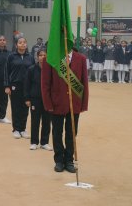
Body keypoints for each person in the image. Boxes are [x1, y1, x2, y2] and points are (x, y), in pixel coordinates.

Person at [42, 46, 89, 174]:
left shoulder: (81, 59)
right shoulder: (50, 59)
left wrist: (83, 103)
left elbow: (84, 82)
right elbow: (45, 84)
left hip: (74, 104)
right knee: (57, 133)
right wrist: (48, 104)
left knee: (72, 133)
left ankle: (69, 160)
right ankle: (59, 160)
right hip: (56, 103)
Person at [4, 37, 34, 139]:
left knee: (25, 107)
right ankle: (16, 129)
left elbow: (33, 72)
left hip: (27, 86)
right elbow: (6, 72)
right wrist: (7, 86)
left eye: (24, 42)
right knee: (16, 107)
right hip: (15, 86)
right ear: (16, 45)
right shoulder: (11, 56)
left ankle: (23, 129)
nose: (22, 44)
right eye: (20, 43)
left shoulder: (30, 57)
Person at [24, 50, 52, 151]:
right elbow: (27, 85)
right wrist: (27, 98)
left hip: (47, 100)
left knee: (46, 121)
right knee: (35, 121)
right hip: (35, 99)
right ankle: (34, 142)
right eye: (40, 55)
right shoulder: (31, 69)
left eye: (45, 55)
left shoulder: (50, 70)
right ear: (37, 57)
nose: (42, 57)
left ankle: (44, 142)